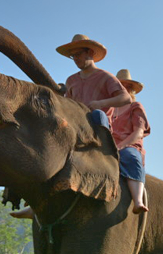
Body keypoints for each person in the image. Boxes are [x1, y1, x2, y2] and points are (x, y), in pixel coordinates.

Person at [10, 34, 131, 219]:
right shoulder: (71, 80)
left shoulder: (105, 77)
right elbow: (68, 105)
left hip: (97, 124)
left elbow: (125, 98)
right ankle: (35, 204)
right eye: (72, 56)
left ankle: (105, 156)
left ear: (89, 52)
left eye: (78, 55)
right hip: (77, 125)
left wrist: (100, 103)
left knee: (98, 115)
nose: (75, 59)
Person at [111, 69, 151, 213]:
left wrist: (120, 146)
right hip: (108, 145)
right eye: (119, 86)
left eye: (126, 86)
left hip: (128, 145)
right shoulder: (108, 109)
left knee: (130, 156)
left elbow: (138, 132)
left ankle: (138, 200)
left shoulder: (136, 107)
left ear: (131, 90)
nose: (123, 88)